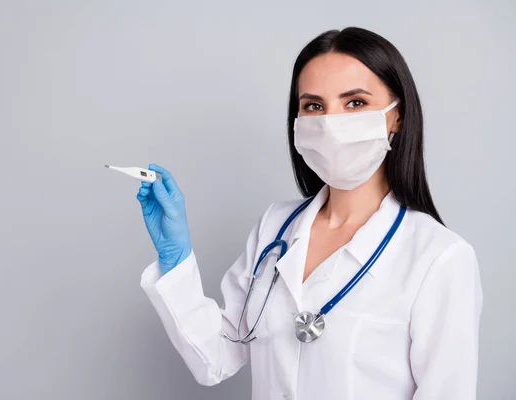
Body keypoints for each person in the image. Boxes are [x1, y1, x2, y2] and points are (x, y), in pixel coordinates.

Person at [135, 27, 483, 400]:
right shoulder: (275, 228)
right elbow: (216, 357)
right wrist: (176, 260)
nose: (331, 125)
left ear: (396, 116)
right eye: (314, 106)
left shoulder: (440, 259)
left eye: (355, 103)